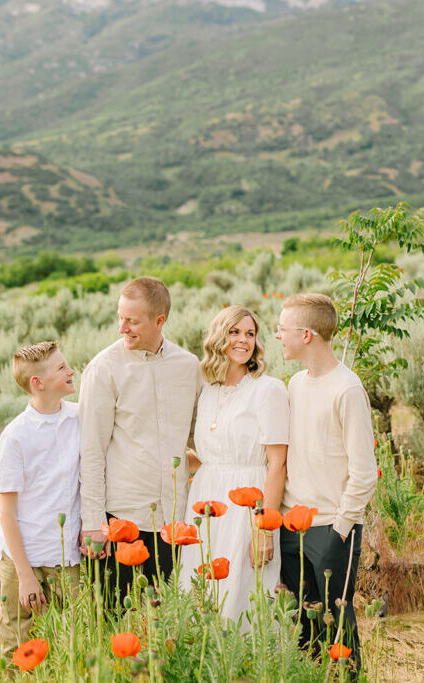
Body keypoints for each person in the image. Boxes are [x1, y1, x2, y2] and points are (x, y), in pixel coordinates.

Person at [78, 277, 201, 597]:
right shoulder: (103, 369)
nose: (122, 327)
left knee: (170, 620)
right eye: (120, 317)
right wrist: (92, 522)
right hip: (121, 520)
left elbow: (199, 437)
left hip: (174, 522)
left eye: (132, 321)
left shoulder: (189, 367)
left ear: (160, 321)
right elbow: (91, 450)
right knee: (116, 620)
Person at [276, 293, 377, 671]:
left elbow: (364, 472)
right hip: (291, 527)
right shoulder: (294, 385)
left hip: (333, 529)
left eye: (282, 329)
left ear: (306, 335)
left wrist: (340, 527)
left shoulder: (347, 389)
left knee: (338, 629)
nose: (277, 336)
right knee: (303, 628)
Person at [179, 305, 289, 627]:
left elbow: (278, 463)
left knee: (243, 595)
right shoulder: (207, 390)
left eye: (250, 334)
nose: (243, 340)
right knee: (203, 592)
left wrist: (264, 529)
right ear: (219, 337)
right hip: (206, 506)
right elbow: (212, 452)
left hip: (248, 509)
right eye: (235, 332)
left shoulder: (267, 390)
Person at [0, 341, 81, 658]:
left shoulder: (79, 418)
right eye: (61, 368)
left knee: (71, 639)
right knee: (17, 643)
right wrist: (26, 576)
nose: (71, 370)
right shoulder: (16, 435)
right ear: (38, 382)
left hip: (67, 554)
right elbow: (7, 514)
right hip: (24, 556)